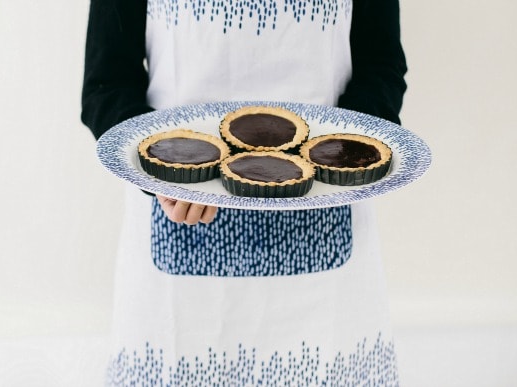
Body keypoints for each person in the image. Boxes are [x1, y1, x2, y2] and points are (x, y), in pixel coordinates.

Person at [82, 0, 407, 385]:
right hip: (178, 238)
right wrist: (164, 179)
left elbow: (381, 67)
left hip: (327, 262)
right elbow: (107, 84)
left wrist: (338, 162)